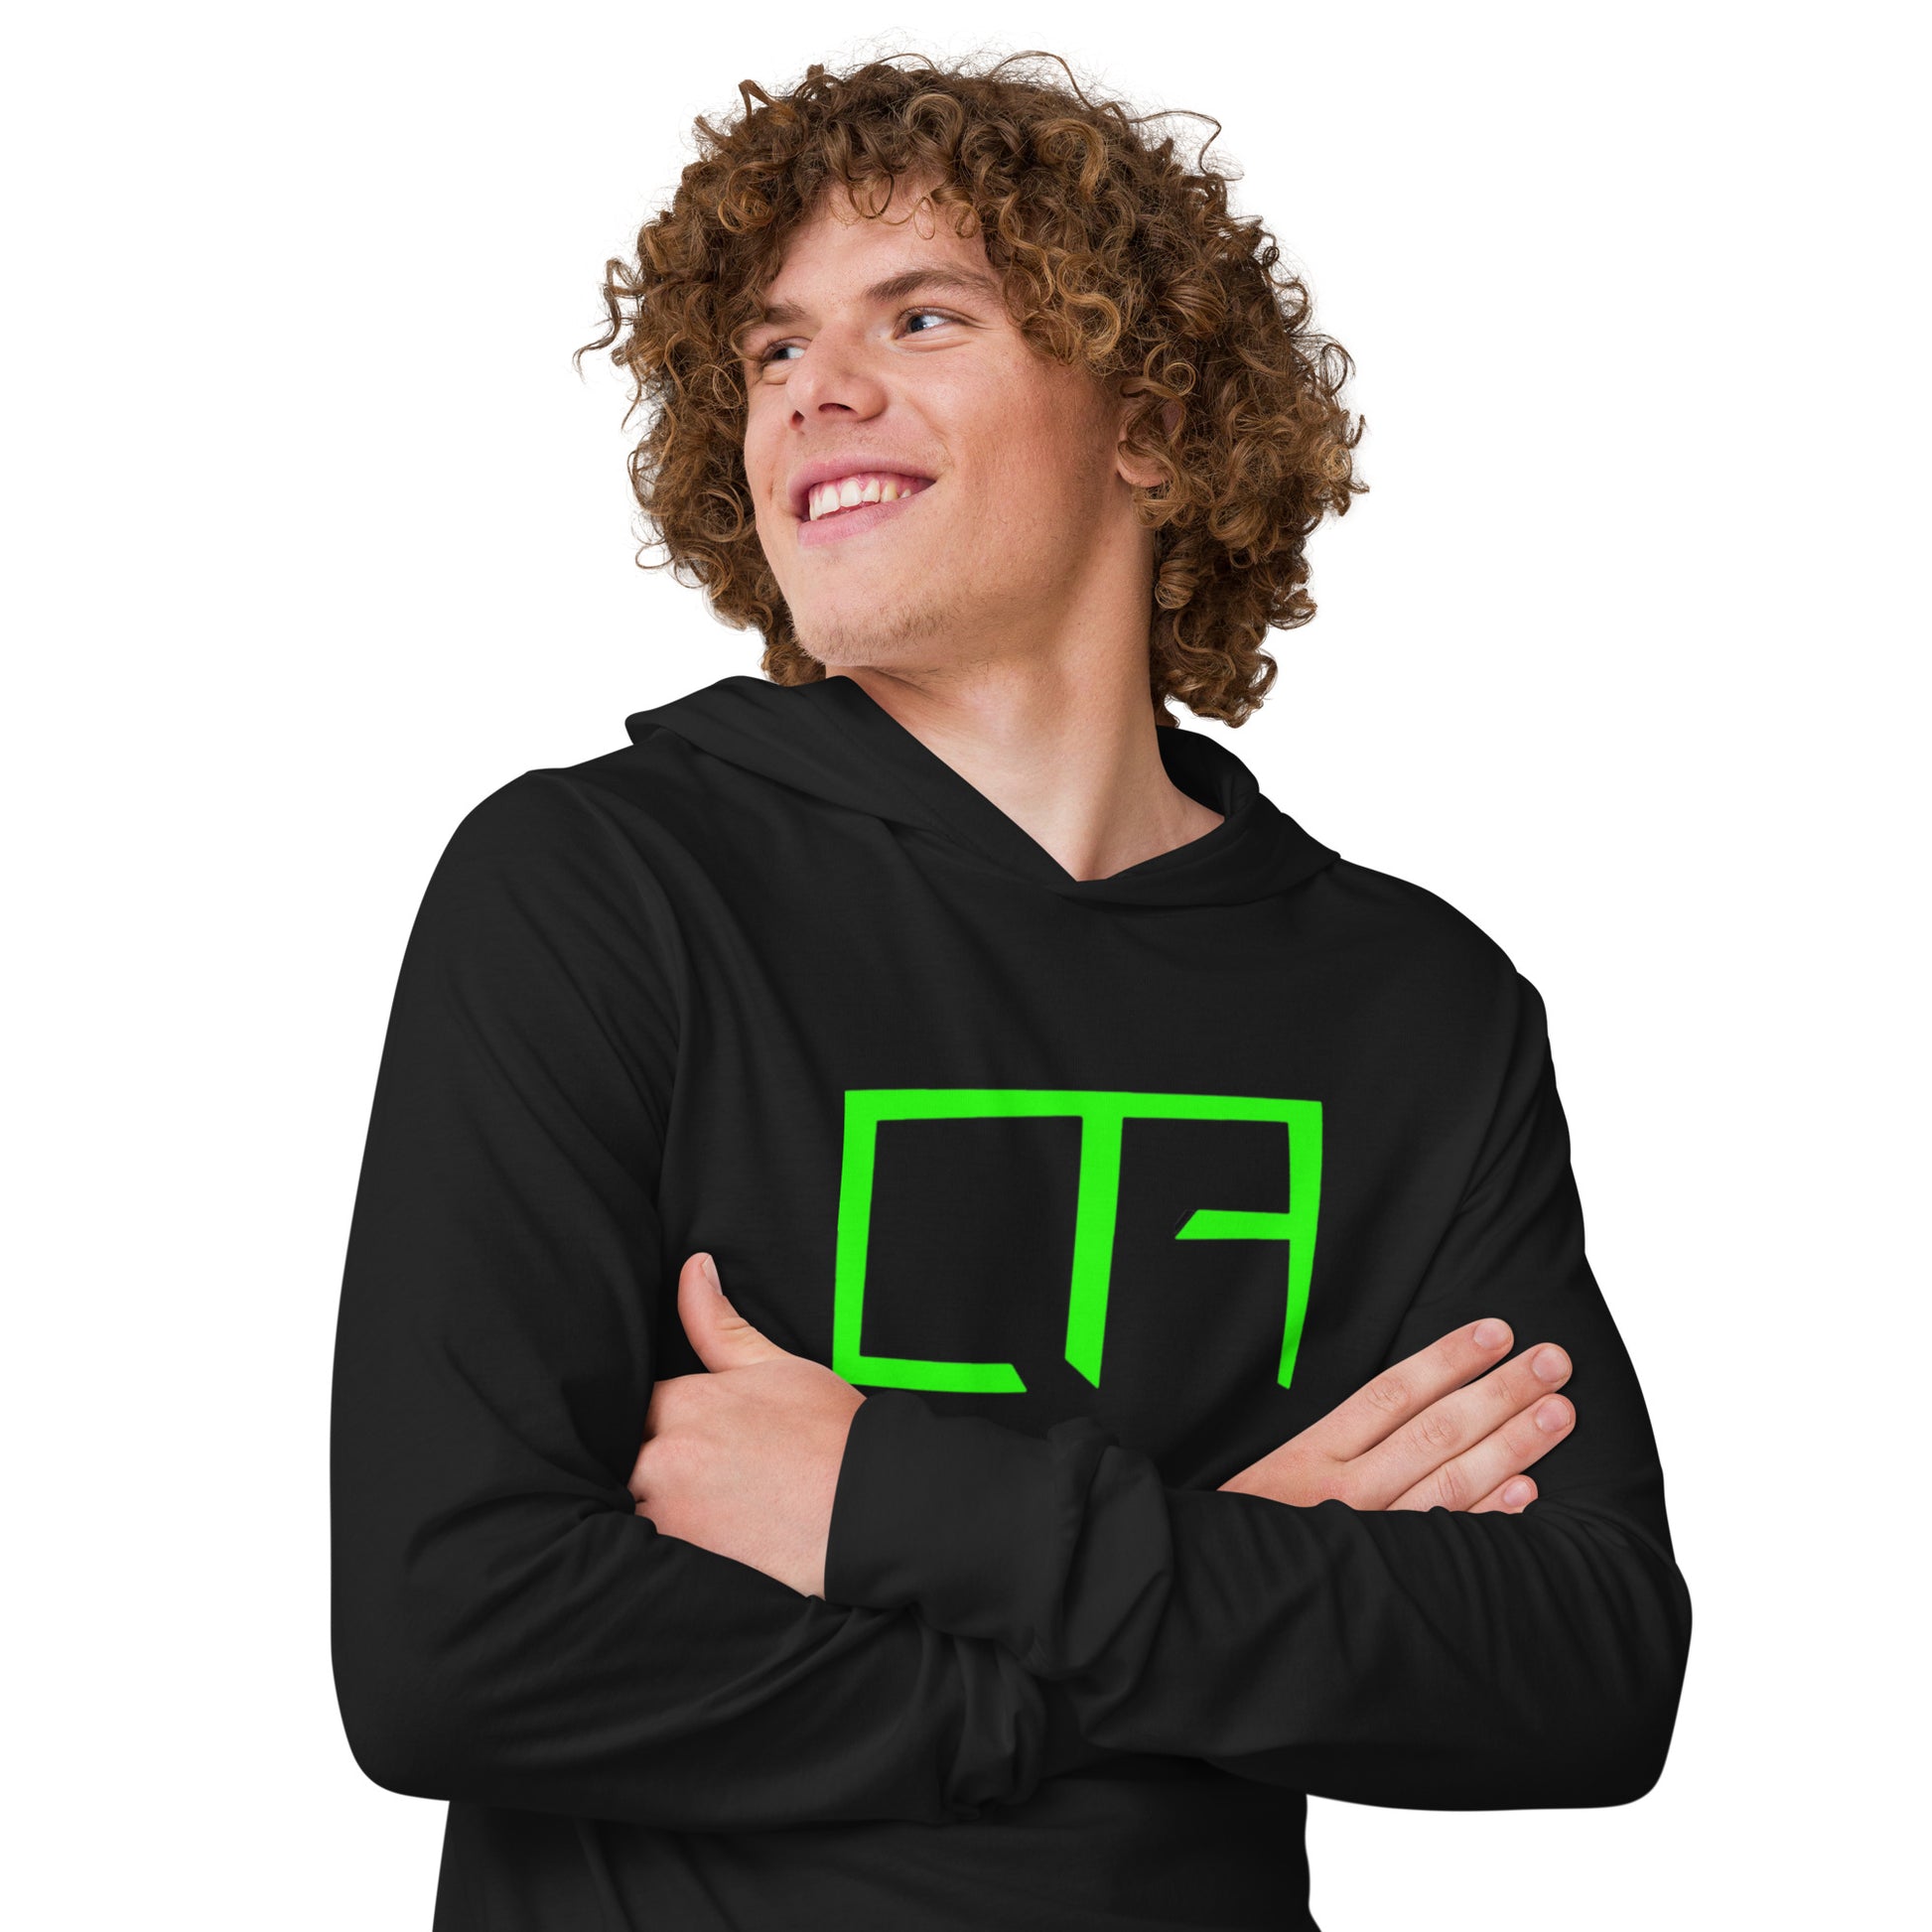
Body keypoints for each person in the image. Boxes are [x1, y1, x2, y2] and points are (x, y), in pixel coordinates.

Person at [330, 49, 1692, 1932]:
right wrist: (1207, 1597)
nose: (813, 386)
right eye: (771, 347)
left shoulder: (1410, 1004)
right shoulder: (598, 891)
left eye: (920, 315)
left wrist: (886, 1504)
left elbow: (1584, 1662)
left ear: (1151, 419)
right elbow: (454, 1644)